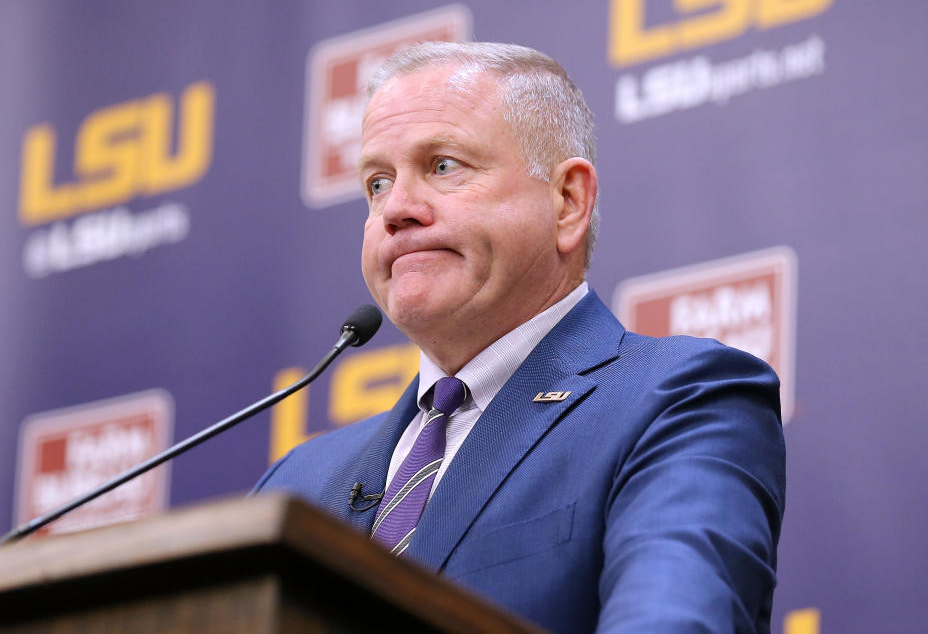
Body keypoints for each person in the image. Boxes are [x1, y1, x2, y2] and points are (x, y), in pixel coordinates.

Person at [256, 42, 785, 633]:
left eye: (443, 166)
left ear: (566, 202)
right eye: (377, 182)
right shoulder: (295, 483)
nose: (396, 209)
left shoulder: (678, 400)